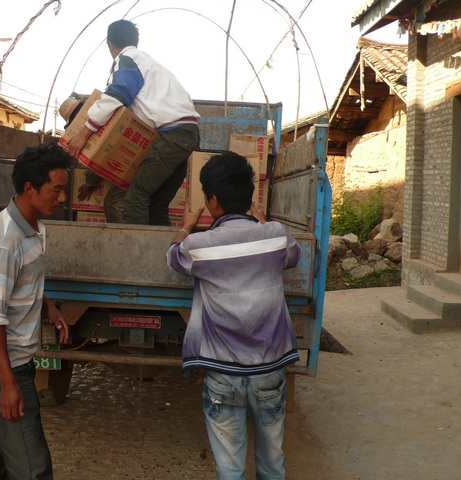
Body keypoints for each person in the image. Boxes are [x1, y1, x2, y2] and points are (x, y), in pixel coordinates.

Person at [166, 151, 301, 480]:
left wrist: (185, 227)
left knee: (230, 469)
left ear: (212, 201)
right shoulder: (276, 235)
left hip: (222, 373)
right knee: (273, 464)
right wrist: (263, 222)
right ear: (251, 197)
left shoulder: (199, 245)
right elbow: (294, 255)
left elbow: (173, 257)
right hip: (269, 369)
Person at [0, 142, 73, 479]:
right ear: (30, 188)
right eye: (56, 190)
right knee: (33, 467)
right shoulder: (6, 241)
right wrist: (7, 384)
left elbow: (20, 282)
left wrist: (48, 306)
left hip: (16, 363)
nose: (62, 198)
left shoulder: (33, 227)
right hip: (4, 367)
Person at [67, 19, 200, 226]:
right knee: (155, 204)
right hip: (187, 135)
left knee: (134, 198)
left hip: (173, 136)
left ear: (109, 44)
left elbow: (117, 94)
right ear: (135, 40)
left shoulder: (127, 58)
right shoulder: (149, 64)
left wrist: (83, 134)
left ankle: (135, 247)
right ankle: (165, 247)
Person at [59, 95, 124, 223]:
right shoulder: (103, 116)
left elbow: (99, 155)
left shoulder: (95, 125)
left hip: (131, 165)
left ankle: (126, 236)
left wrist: (90, 183)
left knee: (112, 204)